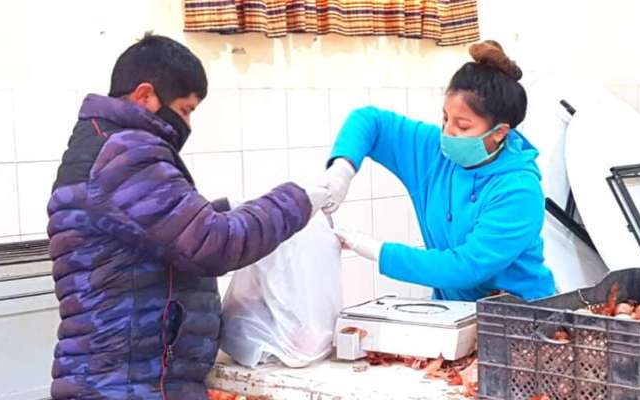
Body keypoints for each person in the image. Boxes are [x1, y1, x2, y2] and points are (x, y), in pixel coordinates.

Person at [47, 33, 330, 399]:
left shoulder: (102, 146)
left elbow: (157, 235)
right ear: (145, 95)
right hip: (129, 385)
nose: (188, 126)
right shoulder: (126, 153)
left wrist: (228, 211)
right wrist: (298, 201)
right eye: (185, 110)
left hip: (118, 378)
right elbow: (213, 244)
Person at [323, 40, 556, 301]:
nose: (448, 133)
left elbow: (465, 268)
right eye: (445, 118)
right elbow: (370, 121)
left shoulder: (518, 191)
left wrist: (379, 250)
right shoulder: (435, 153)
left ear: (500, 133)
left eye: (463, 126)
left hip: (521, 322)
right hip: (454, 312)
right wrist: (342, 168)